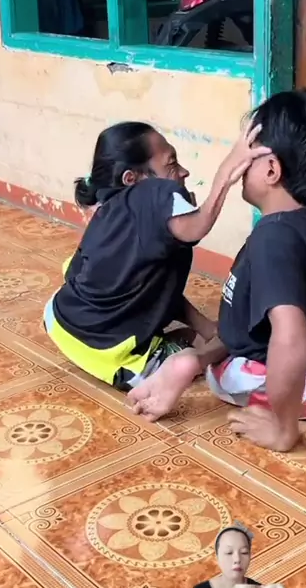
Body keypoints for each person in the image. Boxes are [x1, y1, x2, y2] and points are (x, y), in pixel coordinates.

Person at [128, 90, 306, 451]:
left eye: (248, 153)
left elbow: (294, 342)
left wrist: (284, 429)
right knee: (244, 329)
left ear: (272, 170)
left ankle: (215, 373)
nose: (240, 163)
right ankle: (193, 360)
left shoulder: (274, 238)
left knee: (226, 375)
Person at [43, 120, 270, 390]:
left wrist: (207, 327)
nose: (184, 172)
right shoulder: (152, 192)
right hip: (105, 351)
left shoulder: (108, 210)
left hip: (59, 318)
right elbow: (197, 227)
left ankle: (194, 336)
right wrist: (228, 170)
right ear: (132, 179)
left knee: (201, 333)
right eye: (172, 164)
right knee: (216, 348)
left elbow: (152, 288)